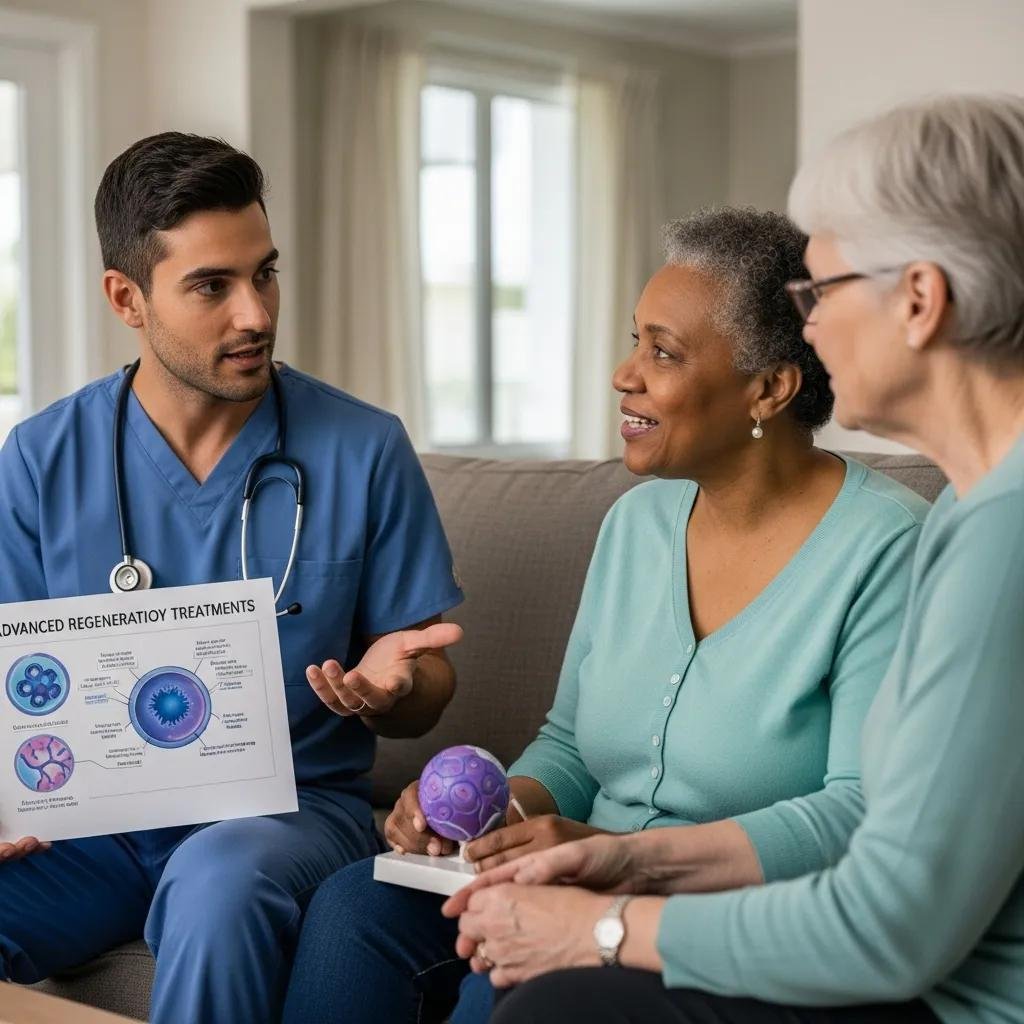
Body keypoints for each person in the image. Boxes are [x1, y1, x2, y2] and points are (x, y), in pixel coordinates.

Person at [446, 94, 1024, 1024]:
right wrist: (630, 858)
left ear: (919, 299)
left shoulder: (1000, 536)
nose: (812, 331)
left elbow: (886, 925)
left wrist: (601, 927)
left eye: (822, 293)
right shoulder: (974, 501)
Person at [282, 207, 931, 1024]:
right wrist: (495, 816)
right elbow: (570, 744)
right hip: (575, 872)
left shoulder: (887, 548)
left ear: (769, 388)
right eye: (634, 342)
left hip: (721, 915)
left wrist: (618, 856)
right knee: (355, 908)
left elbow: (856, 811)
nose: (625, 374)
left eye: (663, 352)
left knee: (508, 980)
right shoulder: (636, 524)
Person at [0, 132, 464, 1024]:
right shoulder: (41, 457)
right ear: (127, 298)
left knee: (218, 886)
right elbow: (11, 683)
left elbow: (427, 684)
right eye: (212, 286)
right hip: (91, 826)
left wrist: (395, 690)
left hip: (283, 817)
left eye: (266, 274)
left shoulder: (364, 448)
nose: (255, 313)